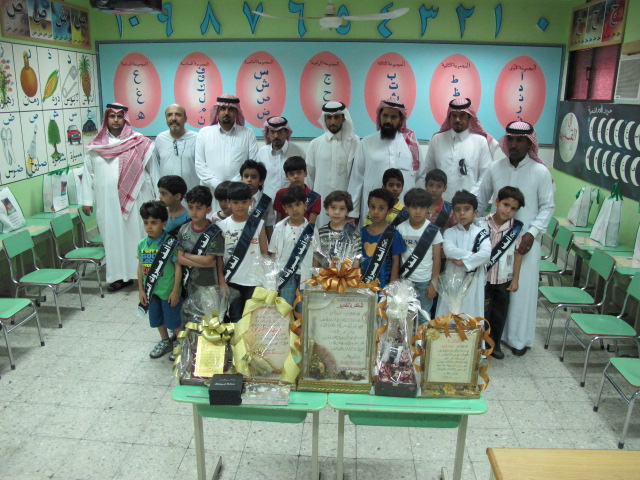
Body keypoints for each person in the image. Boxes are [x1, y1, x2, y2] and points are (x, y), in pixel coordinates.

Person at [478, 120, 555, 356]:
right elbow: (481, 200)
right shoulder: (495, 168)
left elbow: (548, 207)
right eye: (510, 139)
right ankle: (491, 338)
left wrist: (533, 232)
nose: (514, 144)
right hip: (494, 241)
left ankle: (518, 339)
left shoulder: (540, 171)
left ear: (529, 143)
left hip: (525, 243)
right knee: (493, 291)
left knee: (521, 293)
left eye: (520, 140)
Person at [81, 103, 156, 292]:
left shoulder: (139, 142)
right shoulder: (95, 146)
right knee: (112, 239)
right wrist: (87, 201)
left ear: (125, 119)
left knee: (138, 236)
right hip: (107, 203)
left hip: (136, 200)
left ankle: (143, 275)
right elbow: (87, 174)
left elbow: (153, 171)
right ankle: (119, 277)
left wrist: (158, 198)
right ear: (106, 118)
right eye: (112, 116)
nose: (116, 120)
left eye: (119, 116)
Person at [348, 99, 425, 225]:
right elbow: (356, 179)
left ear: (400, 120)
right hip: (373, 211)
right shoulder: (366, 143)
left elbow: (421, 176)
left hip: (404, 211)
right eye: (385, 116)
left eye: (393, 117)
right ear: (379, 117)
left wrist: (420, 207)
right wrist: (352, 213)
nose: (388, 120)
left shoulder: (410, 143)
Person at [479, 186, 525, 360]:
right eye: (506, 205)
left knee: (499, 314)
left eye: (513, 208)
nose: (508, 211)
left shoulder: (516, 230)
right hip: (483, 279)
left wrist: (516, 279)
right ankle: (481, 345)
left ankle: (495, 344)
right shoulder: (482, 224)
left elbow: (518, 255)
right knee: (483, 313)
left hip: (503, 279)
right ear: (497, 202)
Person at [435, 190, 491, 319]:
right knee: (448, 313)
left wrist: (465, 262)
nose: (462, 213)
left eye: (467, 209)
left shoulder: (481, 232)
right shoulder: (449, 232)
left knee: (471, 313)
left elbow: (486, 254)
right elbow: (449, 251)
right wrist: (472, 255)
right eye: (458, 209)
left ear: (475, 212)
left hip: (474, 279)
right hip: (452, 276)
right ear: (453, 213)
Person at [217, 182, 268, 322]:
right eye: (236, 202)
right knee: (235, 317)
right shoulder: (222, 226)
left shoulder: (258, 224)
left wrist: (267, 281)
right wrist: (222, 281)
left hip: (255, 280)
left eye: (244, 202)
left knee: (253, 318)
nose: (240, 206)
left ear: (250, 201)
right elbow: (219, 258)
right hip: (232, 279)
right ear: (228, 203)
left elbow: (264, 253)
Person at [137, 200, 182, 359]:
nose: (149, 227)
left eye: (154, 222)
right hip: (151, 291)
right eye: (146, 222)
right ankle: (165, 340)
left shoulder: (171, 243)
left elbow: (178, 267)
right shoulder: (142, 244)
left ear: (164, 223)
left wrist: (175, 290)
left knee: (174, 320)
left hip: (168, 291)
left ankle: (181, 343)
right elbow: (140, 267)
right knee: (157, 318)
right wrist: (141, 290)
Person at [425, 98, 493, 202]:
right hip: (439, 204)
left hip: (467, 204)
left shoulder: (480, 142)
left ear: (469, 117)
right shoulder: (437, 139)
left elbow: (485, 176)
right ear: (449, 117)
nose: (457, 119)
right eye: (454, 115)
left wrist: (469, 197)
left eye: (462, 115)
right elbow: (428, 171)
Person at [194, 95, 259, 204]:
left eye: (231, 109)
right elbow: (199, 164)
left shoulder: (248, 133)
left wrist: (232, 185)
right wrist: (217, 184)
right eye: (223, 108)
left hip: (238, 192)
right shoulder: (204, 133)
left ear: (237, 112)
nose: (226, 112)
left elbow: (252, 163)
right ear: (217, 111)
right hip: (210, 192)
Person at [306, 101, 360, 226]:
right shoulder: (315, 144)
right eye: (329, 118)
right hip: (320, 203)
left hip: (345, 205)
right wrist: (309, 207)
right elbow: (309, 178)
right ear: (324, 119)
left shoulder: (355, 142)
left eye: (336, 117)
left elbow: (357, 178)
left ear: (343, 118)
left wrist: (353, 210)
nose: (333, 121)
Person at [397, 188, 443, 325]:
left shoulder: (433, 231)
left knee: (424, 316)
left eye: (422, 207)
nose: (418, 211)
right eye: (414, 207)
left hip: (425, 282)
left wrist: (433, 284)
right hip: (405, 281)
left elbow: (437, 259)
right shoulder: (400, 229)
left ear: (428, 208)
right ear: (407, 208)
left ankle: (422, 339)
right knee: (404, 315)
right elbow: (397, 258)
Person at [269, 186, 315, 307]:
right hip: (285, 275)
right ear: (284, 209)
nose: (294, 209)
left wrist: (314, 276)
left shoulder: (312, 230)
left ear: (305, 205)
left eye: (298, 204)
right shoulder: (279, 228)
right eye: (290, 206)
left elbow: (316, 254)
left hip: (305, 276)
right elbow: (273, 253)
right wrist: (273, 278)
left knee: (302, 309)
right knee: (285, 307)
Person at [176, 186, 223, 293]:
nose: (194, 212)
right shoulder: (184, 229)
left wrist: (186, 255)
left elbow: (208, 260)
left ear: (208, 209)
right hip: (187, 282)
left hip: (208, 284)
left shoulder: (214, 232)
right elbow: (179, 259)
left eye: (198, 208)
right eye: (190, 207)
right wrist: (205, 263)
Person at [360, 188, 406, 289]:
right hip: (363, 285)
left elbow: (396, 262)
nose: (375, 212)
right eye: (372, 207)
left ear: (389, 210)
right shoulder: (361, 232)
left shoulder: (393, 234)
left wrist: (392, 286)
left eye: (381, 208)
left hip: (384, 287)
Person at [256, 116, 306, 198]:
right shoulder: (261, 153)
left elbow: (304, 179)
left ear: (286, 132)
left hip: (292, 202)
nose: (276, 136)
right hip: (268, 202)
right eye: (272, 132)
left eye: (280, 132)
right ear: (267, 133)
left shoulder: (298, 151)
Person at [154, 104, 199, 191]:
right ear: (166, 119)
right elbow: (155, 167)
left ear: (185, 118)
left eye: (178, 115)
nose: (173, 118)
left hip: (191, 193)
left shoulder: (196, 138)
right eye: (169, 115)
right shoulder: (160, 139)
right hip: (167, 194)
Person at [314, 190, 362, 267]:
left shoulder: (354, 234)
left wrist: (353, 274)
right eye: (333, 207)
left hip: (347, 274)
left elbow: (356, 260)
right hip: (324, 274)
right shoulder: (320, 233)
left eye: (342, 208)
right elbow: (316, 259)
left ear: (347, 212)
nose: (337, 212)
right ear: (327, 210)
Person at [273, 156, 321, 224]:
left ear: (305, 173)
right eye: (291, 174)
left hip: (305, 230)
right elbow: (278, 220)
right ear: (286, 176)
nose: (296, 176)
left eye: (299, 172)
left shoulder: (314, 197)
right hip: (284, 229)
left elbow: (311, 225)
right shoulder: (281, 193)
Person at [240, 159, 276, 239]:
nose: (249, 179)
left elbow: (269, 226)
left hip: (260, 241)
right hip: (239, 240)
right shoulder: (236, 198)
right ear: (241, 179)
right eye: (246, 176)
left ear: (261, 181)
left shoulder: (266, 201)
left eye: (254, 177)